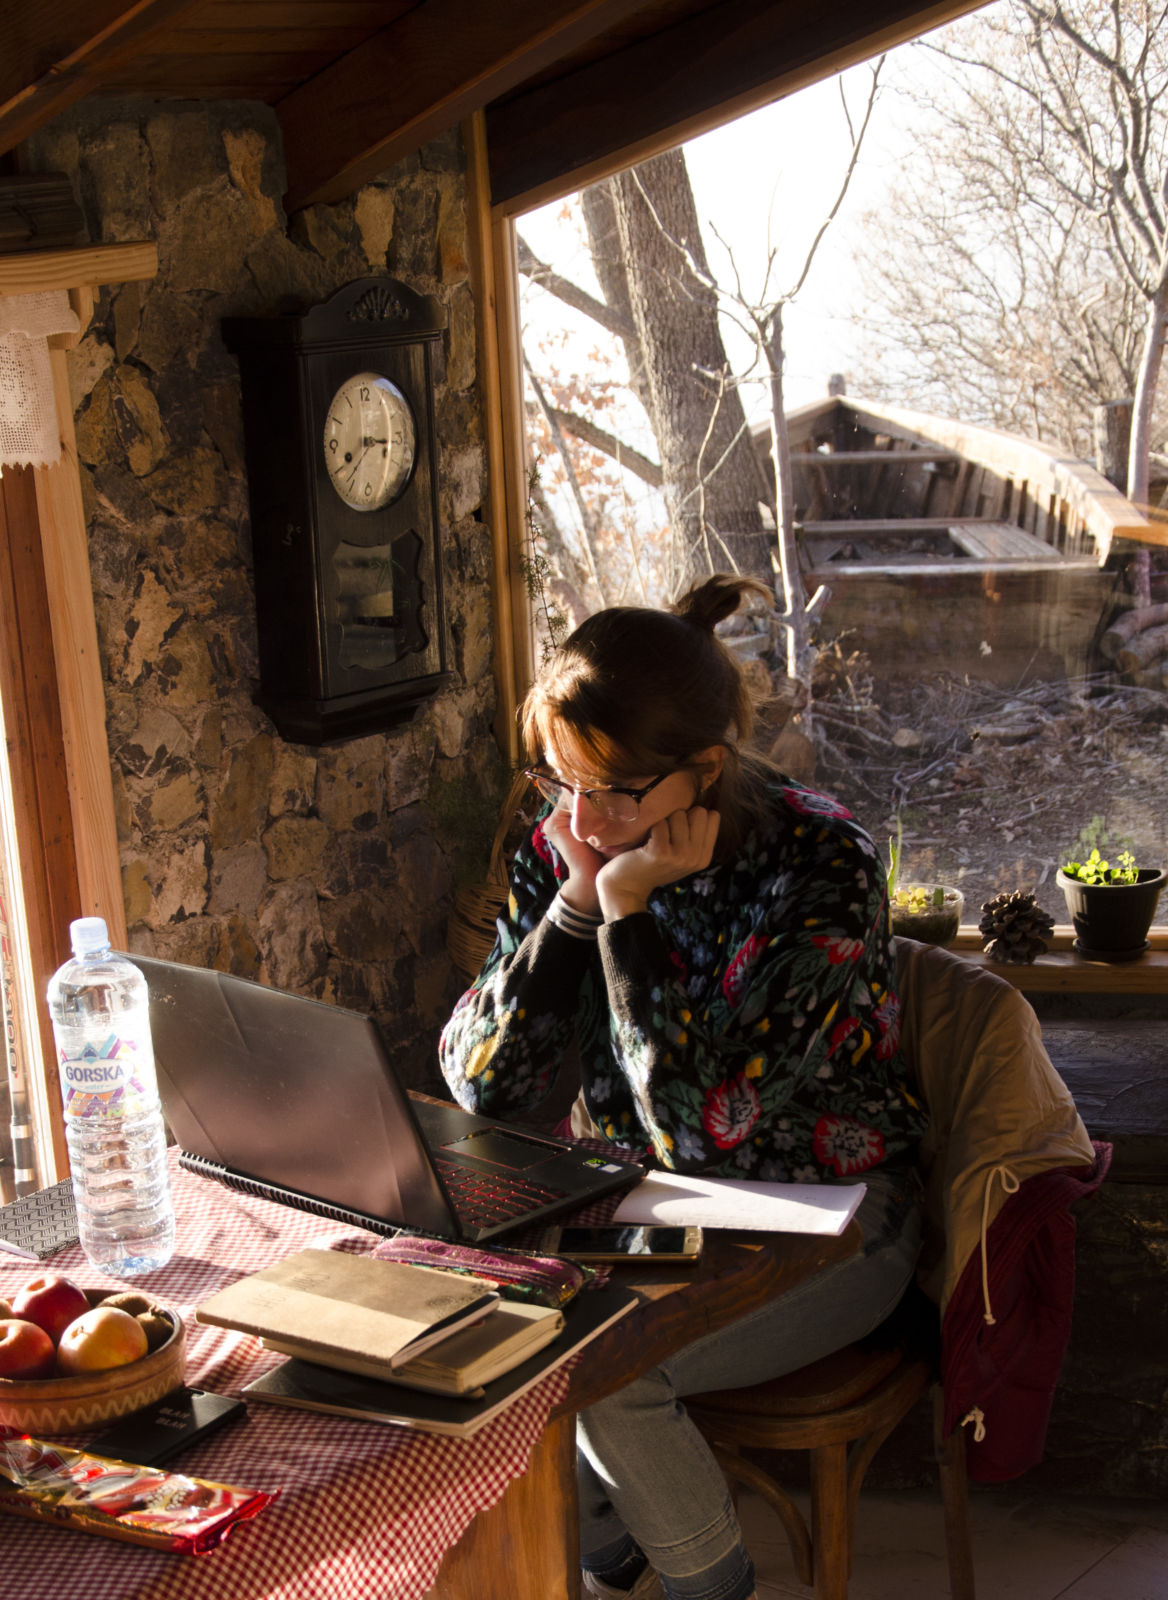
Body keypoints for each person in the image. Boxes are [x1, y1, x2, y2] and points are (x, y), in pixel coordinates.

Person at [439, 574, 927, 1600]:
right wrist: (576, 903)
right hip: (643, 1204)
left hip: (832, 1218)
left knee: (612, 1376)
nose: (581, 816)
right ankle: (615, 1550)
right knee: (507, 1328)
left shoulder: (819, 861)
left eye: (615, 791)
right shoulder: (571, 844)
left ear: (702, 769)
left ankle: (705, 1580)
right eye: (557, 782)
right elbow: (488, 1087)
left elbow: (707, 1136)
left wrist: (627, 918)